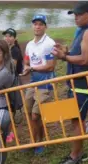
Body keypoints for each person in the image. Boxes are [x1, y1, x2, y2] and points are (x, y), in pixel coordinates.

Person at [52, 1, 88, 164]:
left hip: (84, 84)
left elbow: (85, 59)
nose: (76, 17)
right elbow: (78, 53)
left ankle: (75, 156)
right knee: (74, 120)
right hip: (76, 83)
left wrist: (63, 57)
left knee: (78, 121)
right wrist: (66, 52)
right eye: (74, 14)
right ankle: (77, 152)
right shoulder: (83, 30)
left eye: (79, 14)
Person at [20, 14, 57, 155]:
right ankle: (34, 140)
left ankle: (40, 142)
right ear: (32, 26)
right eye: (35, 24)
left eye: (40, 24)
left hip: (45, 83)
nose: (37, 26)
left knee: (36, 115)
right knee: (28, 113)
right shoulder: (29, 45)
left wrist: (32, 68)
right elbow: (27, 62)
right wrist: (25, 69)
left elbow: (50, 66)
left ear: (45, 26)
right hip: (32, 82)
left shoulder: (49, 44)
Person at [2, 28, 23, 143]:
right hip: (7, 80)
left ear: (14, 38)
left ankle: (10, 132)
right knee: (8, 105)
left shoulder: (14, 50)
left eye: (10, 36)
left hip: (12, 81)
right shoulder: (8, 49)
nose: (7, 38)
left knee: (11, 106)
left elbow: (12, 67)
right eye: (6, 36)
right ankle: (8, 130)